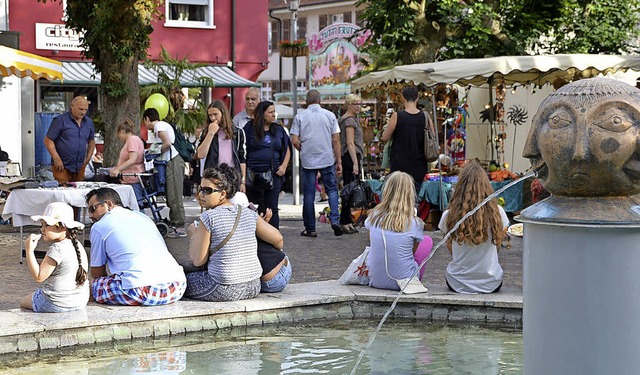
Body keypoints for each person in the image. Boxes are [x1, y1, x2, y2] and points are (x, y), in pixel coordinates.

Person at [184, 164, 284, 301]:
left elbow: (197, 260)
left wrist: (193, 235)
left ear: (223, 194)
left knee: (179, 281)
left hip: (223, 288)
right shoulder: (249, 213)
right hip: (253, 286)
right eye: (200, 189)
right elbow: (278, 239)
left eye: (207, 190)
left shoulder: (208, 218)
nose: (201, 194)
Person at [85, 187, 186, 305]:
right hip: (177, 286)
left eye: (93, 209)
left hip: (140, 290)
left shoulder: (99, 226)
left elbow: (97, 273)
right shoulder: (142, 217)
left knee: (91, 286)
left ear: (109, 204)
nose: (90, 215)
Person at [438, 161, 509, 294]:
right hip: (491, 282)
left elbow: (450, 246)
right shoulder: (498, 212)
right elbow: (497, 245)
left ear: (460, 186)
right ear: (486, 186)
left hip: (457, 281)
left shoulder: (449, 215)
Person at [365, 171, 433, 291]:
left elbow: (373, 243)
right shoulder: (415, 223)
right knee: (427, 241)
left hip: (376, 280)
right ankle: (414, 279)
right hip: (404, 282)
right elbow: (412, 252)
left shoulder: (373, 217)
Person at [290, 90, 344, 237]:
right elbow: (336, 140)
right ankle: (334, 220)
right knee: (332, 190)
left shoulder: (300, 116)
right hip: (327, 158)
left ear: (306, 101)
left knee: (308, 195)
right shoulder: (330, 115)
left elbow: (294, 140)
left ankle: (310, 228)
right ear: (320, 101)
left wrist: (303, 149)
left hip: (308, 160)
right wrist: (338, 161)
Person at [19, 202, 89, 312]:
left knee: (23, 301)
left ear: (62, 227)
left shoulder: (57, 248)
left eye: (47, 225)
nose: (42, 229)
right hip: (80, 301)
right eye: (42, 225)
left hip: (56, 303)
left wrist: (29, 250)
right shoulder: (78, 245)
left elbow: (39, 277)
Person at [243, 101, 291, 229]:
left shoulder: (279, 129)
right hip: (252, 174)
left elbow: (287, 149)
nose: (273, 115)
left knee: (272, 208)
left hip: (274, 173)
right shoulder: (249, 128)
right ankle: (254, 237)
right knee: (252, 208)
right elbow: (241, 150)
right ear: (261, 113)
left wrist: (284, 167)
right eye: (270, 112)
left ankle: (273, 237)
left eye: (274, 112)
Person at [231, 192, 291, 293]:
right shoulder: (250, 220)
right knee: (278, 250)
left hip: (253, 281)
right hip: (275, 275)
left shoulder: (225, 225)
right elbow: (279, 240)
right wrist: (262, 225)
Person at [143, 107, 186, 237]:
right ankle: (175, 222)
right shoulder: (161, 126)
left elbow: (166, 142)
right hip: (171, 162)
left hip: (173, 161)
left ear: (147, 118)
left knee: (175, 195)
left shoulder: (159, 125)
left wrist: (154, 152)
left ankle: (179, 226)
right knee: (171, 194)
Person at [381, 86, 433, 192]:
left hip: (399, 165)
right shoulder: (425, 116)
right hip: (419, 164)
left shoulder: (397, 116)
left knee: (399, 197)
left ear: (403, 98)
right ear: (417, 98)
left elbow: (385, 137)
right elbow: (433, 136)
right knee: (415, 196)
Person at [197, 100, 247, 193]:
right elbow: (200, 154)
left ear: (223, 114)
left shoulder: (238, 132)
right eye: (210, 115)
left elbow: (242, 158)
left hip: (232, 176)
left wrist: (242, 181)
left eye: (215, 114)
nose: (213, 118)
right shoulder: (206, 133)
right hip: (213, 177)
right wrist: (210, 133)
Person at [44, 96, 96, 184]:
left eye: (85, 110)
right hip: (62, 165)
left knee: (79, 193)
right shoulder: (60, 120)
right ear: (72, 106)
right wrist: (56, 159)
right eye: (80, 109)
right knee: (63, 192)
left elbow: (91, 141)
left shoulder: (88, 122)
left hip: (80, 166)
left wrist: (88, 158)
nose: (83, 112)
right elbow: (48, 140)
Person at [338, 94, 365, 234]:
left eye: (360, 104)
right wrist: (355, 162)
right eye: (356, 104)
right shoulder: (349, 121)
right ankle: (345, 220)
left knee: (349, 189)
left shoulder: (349, 119)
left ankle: (346, 219)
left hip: (350, 156)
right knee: (349, 190)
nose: (359, 106)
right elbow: (349, 142)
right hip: (350, 157)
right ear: (349, 105)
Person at [109, 118, 145, 206]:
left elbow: (133, 159)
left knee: (136, 204)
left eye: (118, 134)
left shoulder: (132, 140)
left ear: (122, 131)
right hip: (128, 177)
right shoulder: (132, 140)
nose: (119, 137)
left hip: (133, 177)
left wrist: (118, 169)